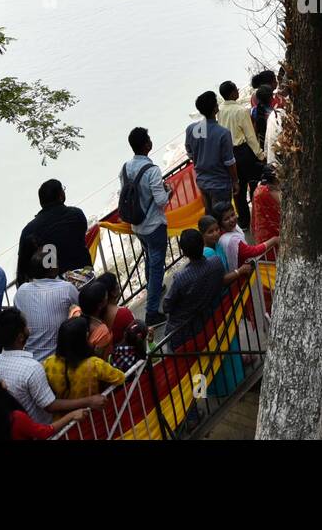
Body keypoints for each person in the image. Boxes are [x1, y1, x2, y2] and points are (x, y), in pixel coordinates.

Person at [0, 307, 105, 425]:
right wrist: (89, 401)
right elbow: (50, 405)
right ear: (20, 337)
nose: (29, 328)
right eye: (26, 326)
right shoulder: (31, 368)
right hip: (43, 430)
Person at [120, 126, 170, 328]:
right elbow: (161, 200)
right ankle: (151, 313)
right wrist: (170, 192)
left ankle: (154, 290)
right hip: (154, 225)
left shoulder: (124, 168)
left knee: (151, 259)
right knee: (156, 264)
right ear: (147, 145)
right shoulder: (152, 170)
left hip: (137, 225)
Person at [162, 229, 229, 351]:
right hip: (209, 322)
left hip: (182, 334)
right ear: (203, 243)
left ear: (184, 252)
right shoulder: (216, 263)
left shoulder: (180, 279)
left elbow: (166, 306)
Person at [16, 179, 90, 287]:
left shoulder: (29, 230)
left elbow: (23, 266)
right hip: (85, 278)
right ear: (61, 196)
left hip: (53, 288)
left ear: (41, 202)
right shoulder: (76, 214)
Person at [14, 246, 80, 360]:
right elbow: (84, 308)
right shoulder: (67, 288)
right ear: (51, 269)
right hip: (58, 361)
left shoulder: (21, 291)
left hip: (31, 360)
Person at [0, 375, 88, 440]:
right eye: (0, 382)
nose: (4, 381)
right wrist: (71, 415)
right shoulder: (16, 418)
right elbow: (45, 432)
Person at [43, 317, 126, 402]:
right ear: (83, 339)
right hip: (92, 413)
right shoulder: (95, 364)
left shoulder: (48, 363)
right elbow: (121, 378)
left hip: (62, 414)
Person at [185, 90, 238, 219]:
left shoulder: (192, 129)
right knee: (223, 218)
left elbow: (190, 152)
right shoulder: (223, 133)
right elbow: (229, 161)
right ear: (216, 108)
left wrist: (200, 158)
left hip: (202, 181)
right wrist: (235, 181)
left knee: (210, 217)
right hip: (220, 184)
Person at [218, 80, 263, 228]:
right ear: (232, 93)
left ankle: (244, 221)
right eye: (236, 89)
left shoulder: (220, 110)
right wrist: (260, 154)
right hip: (242, 151)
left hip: (228, 154)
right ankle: (258, 217)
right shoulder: (241, 111)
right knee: (254, 183)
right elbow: (250, 136)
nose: (238, 91)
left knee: (238, 189)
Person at [70, 277, 115, 357]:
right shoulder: (102, 332)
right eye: (106, 296)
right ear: (100, 305)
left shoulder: (75, 313)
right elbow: (102, 361)